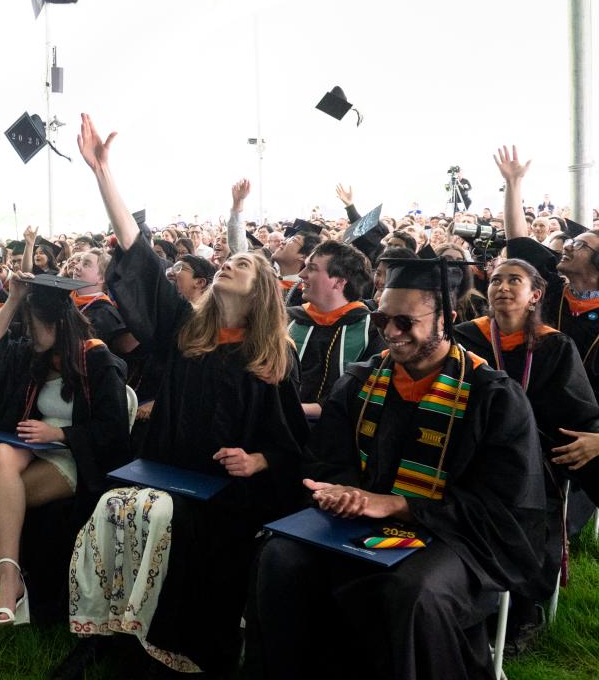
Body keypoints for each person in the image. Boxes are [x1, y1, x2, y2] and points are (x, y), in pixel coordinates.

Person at [57, 114, 305, 677]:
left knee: (159, 516)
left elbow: (292, 443)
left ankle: (156, 643)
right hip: (168, 470)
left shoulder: (269, 358)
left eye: (242, 263)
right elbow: (137, 255)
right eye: (229, 259)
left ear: (262, 290)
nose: (229, 264)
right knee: (117, 505)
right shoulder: (185, 332)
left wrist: (260, 458)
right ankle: (106, 628)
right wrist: (103, 174)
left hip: (229, 494)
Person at [253, 257, 547, 680]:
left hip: (454, 537)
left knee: (414, 590)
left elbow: (502, 506)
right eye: (382, 319)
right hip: (357, 523)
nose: (390, 333)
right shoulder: (360, 382)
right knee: (281, 557)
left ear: (445, 318)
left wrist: (398, 506)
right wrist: (347, 492)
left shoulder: (492, 397)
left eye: (405, 322)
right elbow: (328, 459)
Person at [454, 257, 599, 650]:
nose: (501, 286)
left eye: (513, 280)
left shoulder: (555, 346)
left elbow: (580, 415)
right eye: (496, 279)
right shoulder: (464, 339)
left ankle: (523, 609)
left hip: (534, 465)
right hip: (469, 457)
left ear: (534, 295)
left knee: (531, 517)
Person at [0, 272, 130, 626]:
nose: (27, 333)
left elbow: (114, 430)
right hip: (38, 449)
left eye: (32, 325)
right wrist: (13, 300)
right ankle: (12, 584)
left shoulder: (98, 361)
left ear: (58, 323)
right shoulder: (39, 355)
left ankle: (12, 586)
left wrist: (59, 435)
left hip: (78, 455)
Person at [288, 241, 382, 420]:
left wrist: (298, 409)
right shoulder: (288, 320)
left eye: (312, 268)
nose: (301, 274)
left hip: (338, 433)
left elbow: (364, 392)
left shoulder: (372, 329)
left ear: (339, 282)